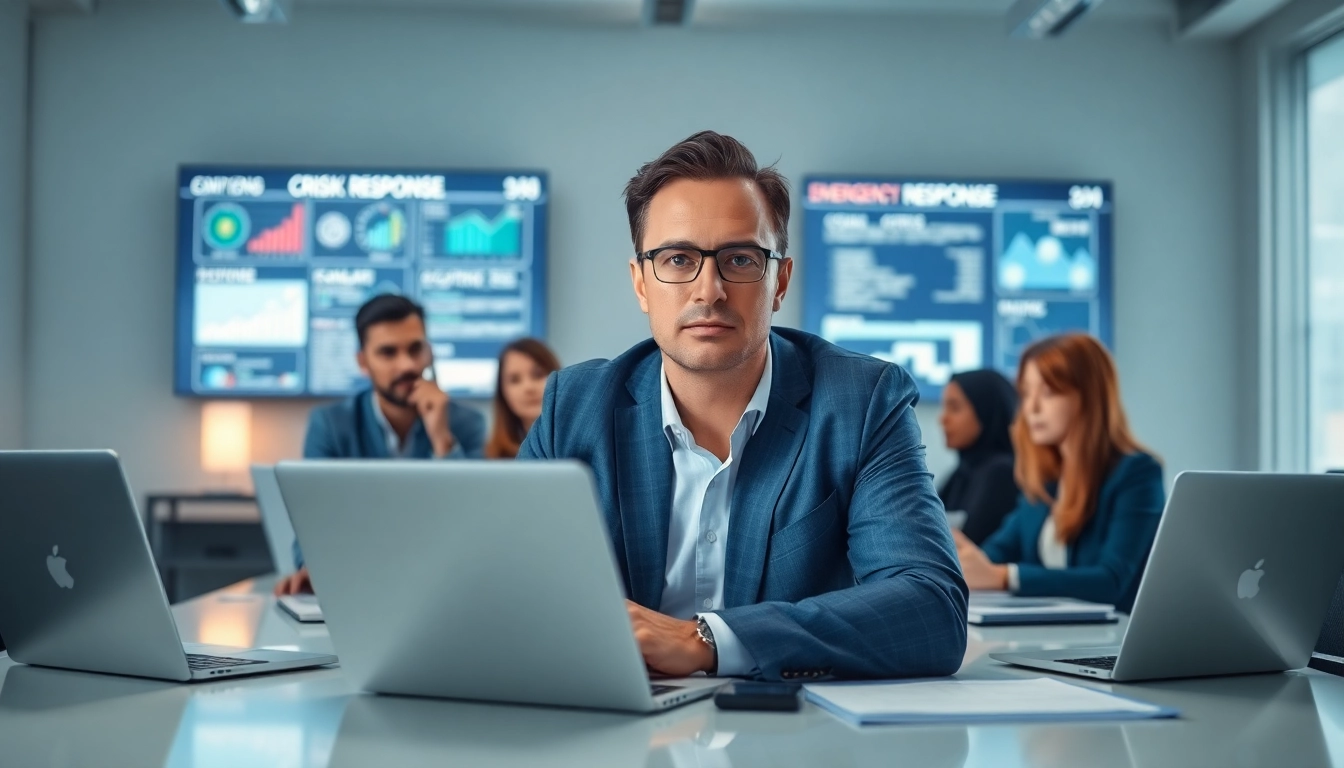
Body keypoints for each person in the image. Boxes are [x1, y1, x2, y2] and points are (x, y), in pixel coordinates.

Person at [519, 131, 967, 681]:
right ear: (640, 283)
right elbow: (507, 591)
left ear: (779, 281)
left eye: (739, 259)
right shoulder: (575, 408)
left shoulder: (863, 402)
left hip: (797, 735)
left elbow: (931, 610)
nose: (709, 290)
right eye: (678, 258)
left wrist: (707, 640)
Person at [274, 294, 486, 595]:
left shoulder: (466, 423)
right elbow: (312, 521)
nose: (407, 365)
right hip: (358, 585)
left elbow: (476, 520)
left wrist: (442, 439)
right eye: (388, 353)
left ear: (430, 352)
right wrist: (312, 569)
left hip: (446, 586)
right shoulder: (330, 425)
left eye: (416, 349)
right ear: (363, 362)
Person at [953, 334, 1164, 613]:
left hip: (1114, 642)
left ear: (1089, 397)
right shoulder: (1045, 482)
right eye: (1027, 393)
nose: (1032, 409)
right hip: (1056, 639)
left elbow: (1112, 581)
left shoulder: (1136, 474)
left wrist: (1005, 577)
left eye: (1049, 392)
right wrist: (965, 557)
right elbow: (995, 555)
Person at [938, 369, 1020, 545]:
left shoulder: (1001, 473)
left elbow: (968, 544)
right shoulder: (958, 475)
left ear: (985, 411)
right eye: (944, 407)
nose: (943, 419)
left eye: (955, 408)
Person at [485, 338, 561, 459]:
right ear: (503, 393)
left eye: (538, 374)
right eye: (515, 380)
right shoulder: (491, 458)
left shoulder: (588, 445)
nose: (528, 388)